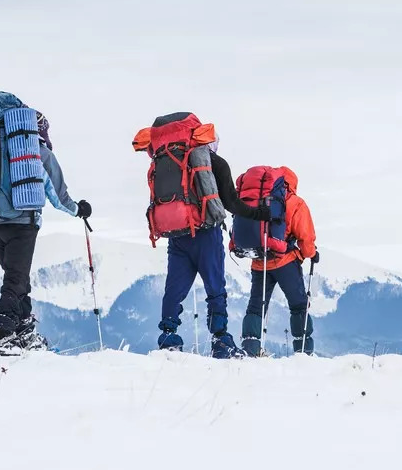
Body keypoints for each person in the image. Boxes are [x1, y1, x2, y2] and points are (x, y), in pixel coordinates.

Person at [0, 92, 91, 355]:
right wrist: (79, 210)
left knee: (18, 278)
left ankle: (23, 333)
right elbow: (58, 196)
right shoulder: (33, 151)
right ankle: (1, 334)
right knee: (16, 280)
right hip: (22, 223)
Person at [133, 112, 269, 359]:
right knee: (215, 287)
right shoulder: (215, 163)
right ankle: (221, 340)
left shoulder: (165, 160)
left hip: (177, 234)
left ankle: (168, 339)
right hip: (206, 233)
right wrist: (260, 214)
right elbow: (232, 203)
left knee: (174, 288)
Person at [241, 167, 318, 356]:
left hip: (259, 260)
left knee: (256, 306)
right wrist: (311, 254)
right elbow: (306, 237)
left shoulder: (257, 197)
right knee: (299, 305)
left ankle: (250, 350)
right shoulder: (295, 202)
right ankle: (303, 352)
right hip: (285, 262)